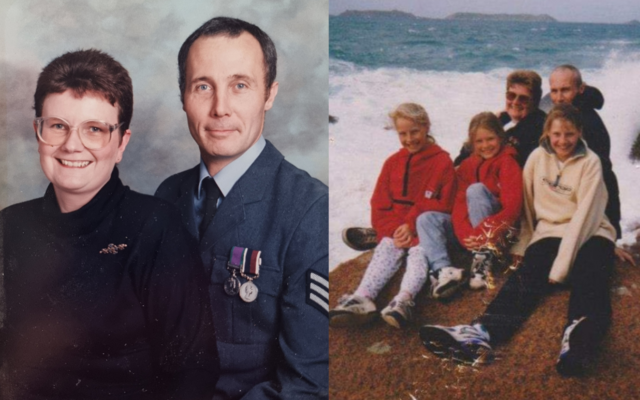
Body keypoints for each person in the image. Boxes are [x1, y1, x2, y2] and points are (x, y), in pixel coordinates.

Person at [0, 50, 219, 399]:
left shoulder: (157, 228)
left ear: (121, 143)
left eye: (94, 130)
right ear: (37, 132)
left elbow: (194, 374)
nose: (72, 145)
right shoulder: (9, 226)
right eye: (58, 126)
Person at [154, 17, 328, 399]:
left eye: (240, 86)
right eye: (203, 86)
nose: (220, 108)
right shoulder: (167, 196)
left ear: (269, 94)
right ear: (183, 95)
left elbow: (307, 387)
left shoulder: (309, 210)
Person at [420, 104, 617, 376]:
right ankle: (481, 332)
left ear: (579, 132)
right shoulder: (537, 158)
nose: (562, 140)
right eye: (557, 133)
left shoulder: (590, 162)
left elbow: (585, 216)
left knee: (590, 272)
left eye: (569, 134)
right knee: (529, 272)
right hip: (551, 230)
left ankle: (577, 339)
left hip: (593, 230)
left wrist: (560, 268)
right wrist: (524, 246)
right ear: (547, 132)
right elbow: (525, 208)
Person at [329, 103, 456, 328]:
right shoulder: (392, 163)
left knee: (419, 254)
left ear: (426, 127)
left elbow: (443, 203)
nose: (409, 139)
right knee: (386, 247)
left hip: (423, 229)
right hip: (396, 230)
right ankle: (363, 297)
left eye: (414, 131)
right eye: (403, 134)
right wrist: (393, 231)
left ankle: (404, 300)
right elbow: (378, 204)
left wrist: (411, 226)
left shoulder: (441, 161)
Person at [548, 65, 633, 265]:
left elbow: (607, 182)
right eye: (554, 90)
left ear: (580, 89)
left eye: (565, 90)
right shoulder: (562, 110)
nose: (559, 97)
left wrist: (612, 238)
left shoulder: (588, 124)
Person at [451, 112, 523, 290]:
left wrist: (483, 235)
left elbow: (512, 209)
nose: (485, 146)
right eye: (479, 141)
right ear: (472, 143)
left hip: (503, 233)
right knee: (430, 218)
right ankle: (444, 269)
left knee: (475, 190)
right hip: (478, 234)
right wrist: (467, 235)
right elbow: (459, 205)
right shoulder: (467, 166)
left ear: (500, 137)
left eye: (490, 139)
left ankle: (483, 260)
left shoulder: (507, 162)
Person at [454, 70, 546, 167]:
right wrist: (495, 123)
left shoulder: (536, 127)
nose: (515, 102)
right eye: (511, 96)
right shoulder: (506, 121)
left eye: (523, 98)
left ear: (535, 101)